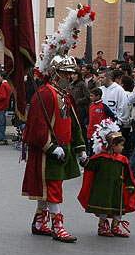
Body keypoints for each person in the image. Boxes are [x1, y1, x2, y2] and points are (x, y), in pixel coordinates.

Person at [22, 55, 87, 243]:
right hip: (50, 150)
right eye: (65, 73)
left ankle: (40, 222)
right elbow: (37, 125)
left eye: (71, 74)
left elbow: (73, 123)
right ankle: (57, 226)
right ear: (56, 73)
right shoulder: (45, 94)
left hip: (64, 147)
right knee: (53, 188)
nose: (69, 77)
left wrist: (80, 148)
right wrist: (50, 147)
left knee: (50, 187)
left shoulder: (64, 95)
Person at [78, 119, 135, 237]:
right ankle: (102, 227)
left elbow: (127, 174)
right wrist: (83, 159)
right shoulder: (100, 158)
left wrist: (129, 185)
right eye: (121, 145)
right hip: (103, 189)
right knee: (103, 208)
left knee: (118, 207)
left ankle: (115, 226)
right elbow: (90, 166)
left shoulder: (122, 159)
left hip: (117, 189)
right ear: (113, 145)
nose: (122, 148)